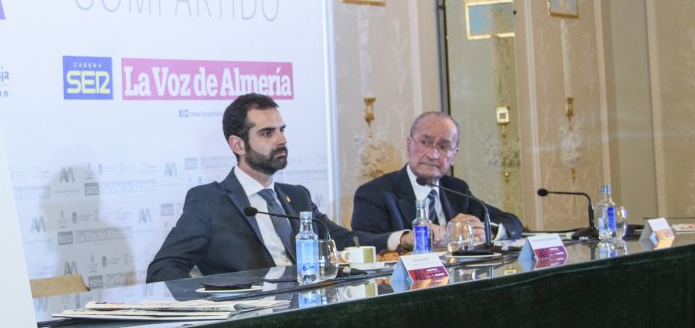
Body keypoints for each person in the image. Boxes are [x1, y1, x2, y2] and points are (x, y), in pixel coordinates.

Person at [146, 93, 414, 282]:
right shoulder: (208, 201)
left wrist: (399, 239)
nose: (281, 139)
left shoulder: (297, 196)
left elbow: (339, 239)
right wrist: (214, 300)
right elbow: (162, 269)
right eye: (267, 133)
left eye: (281, 130)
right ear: (237, 145)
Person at [351, 111, 524, 244]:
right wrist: (408, 239)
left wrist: (486, 231)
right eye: (425, 143)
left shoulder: (456, 189)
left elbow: (512, 222)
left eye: (443, 146)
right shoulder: (375, 193)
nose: (433, 154)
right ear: (409, 145)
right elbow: (361, 242)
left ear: (454, 155)